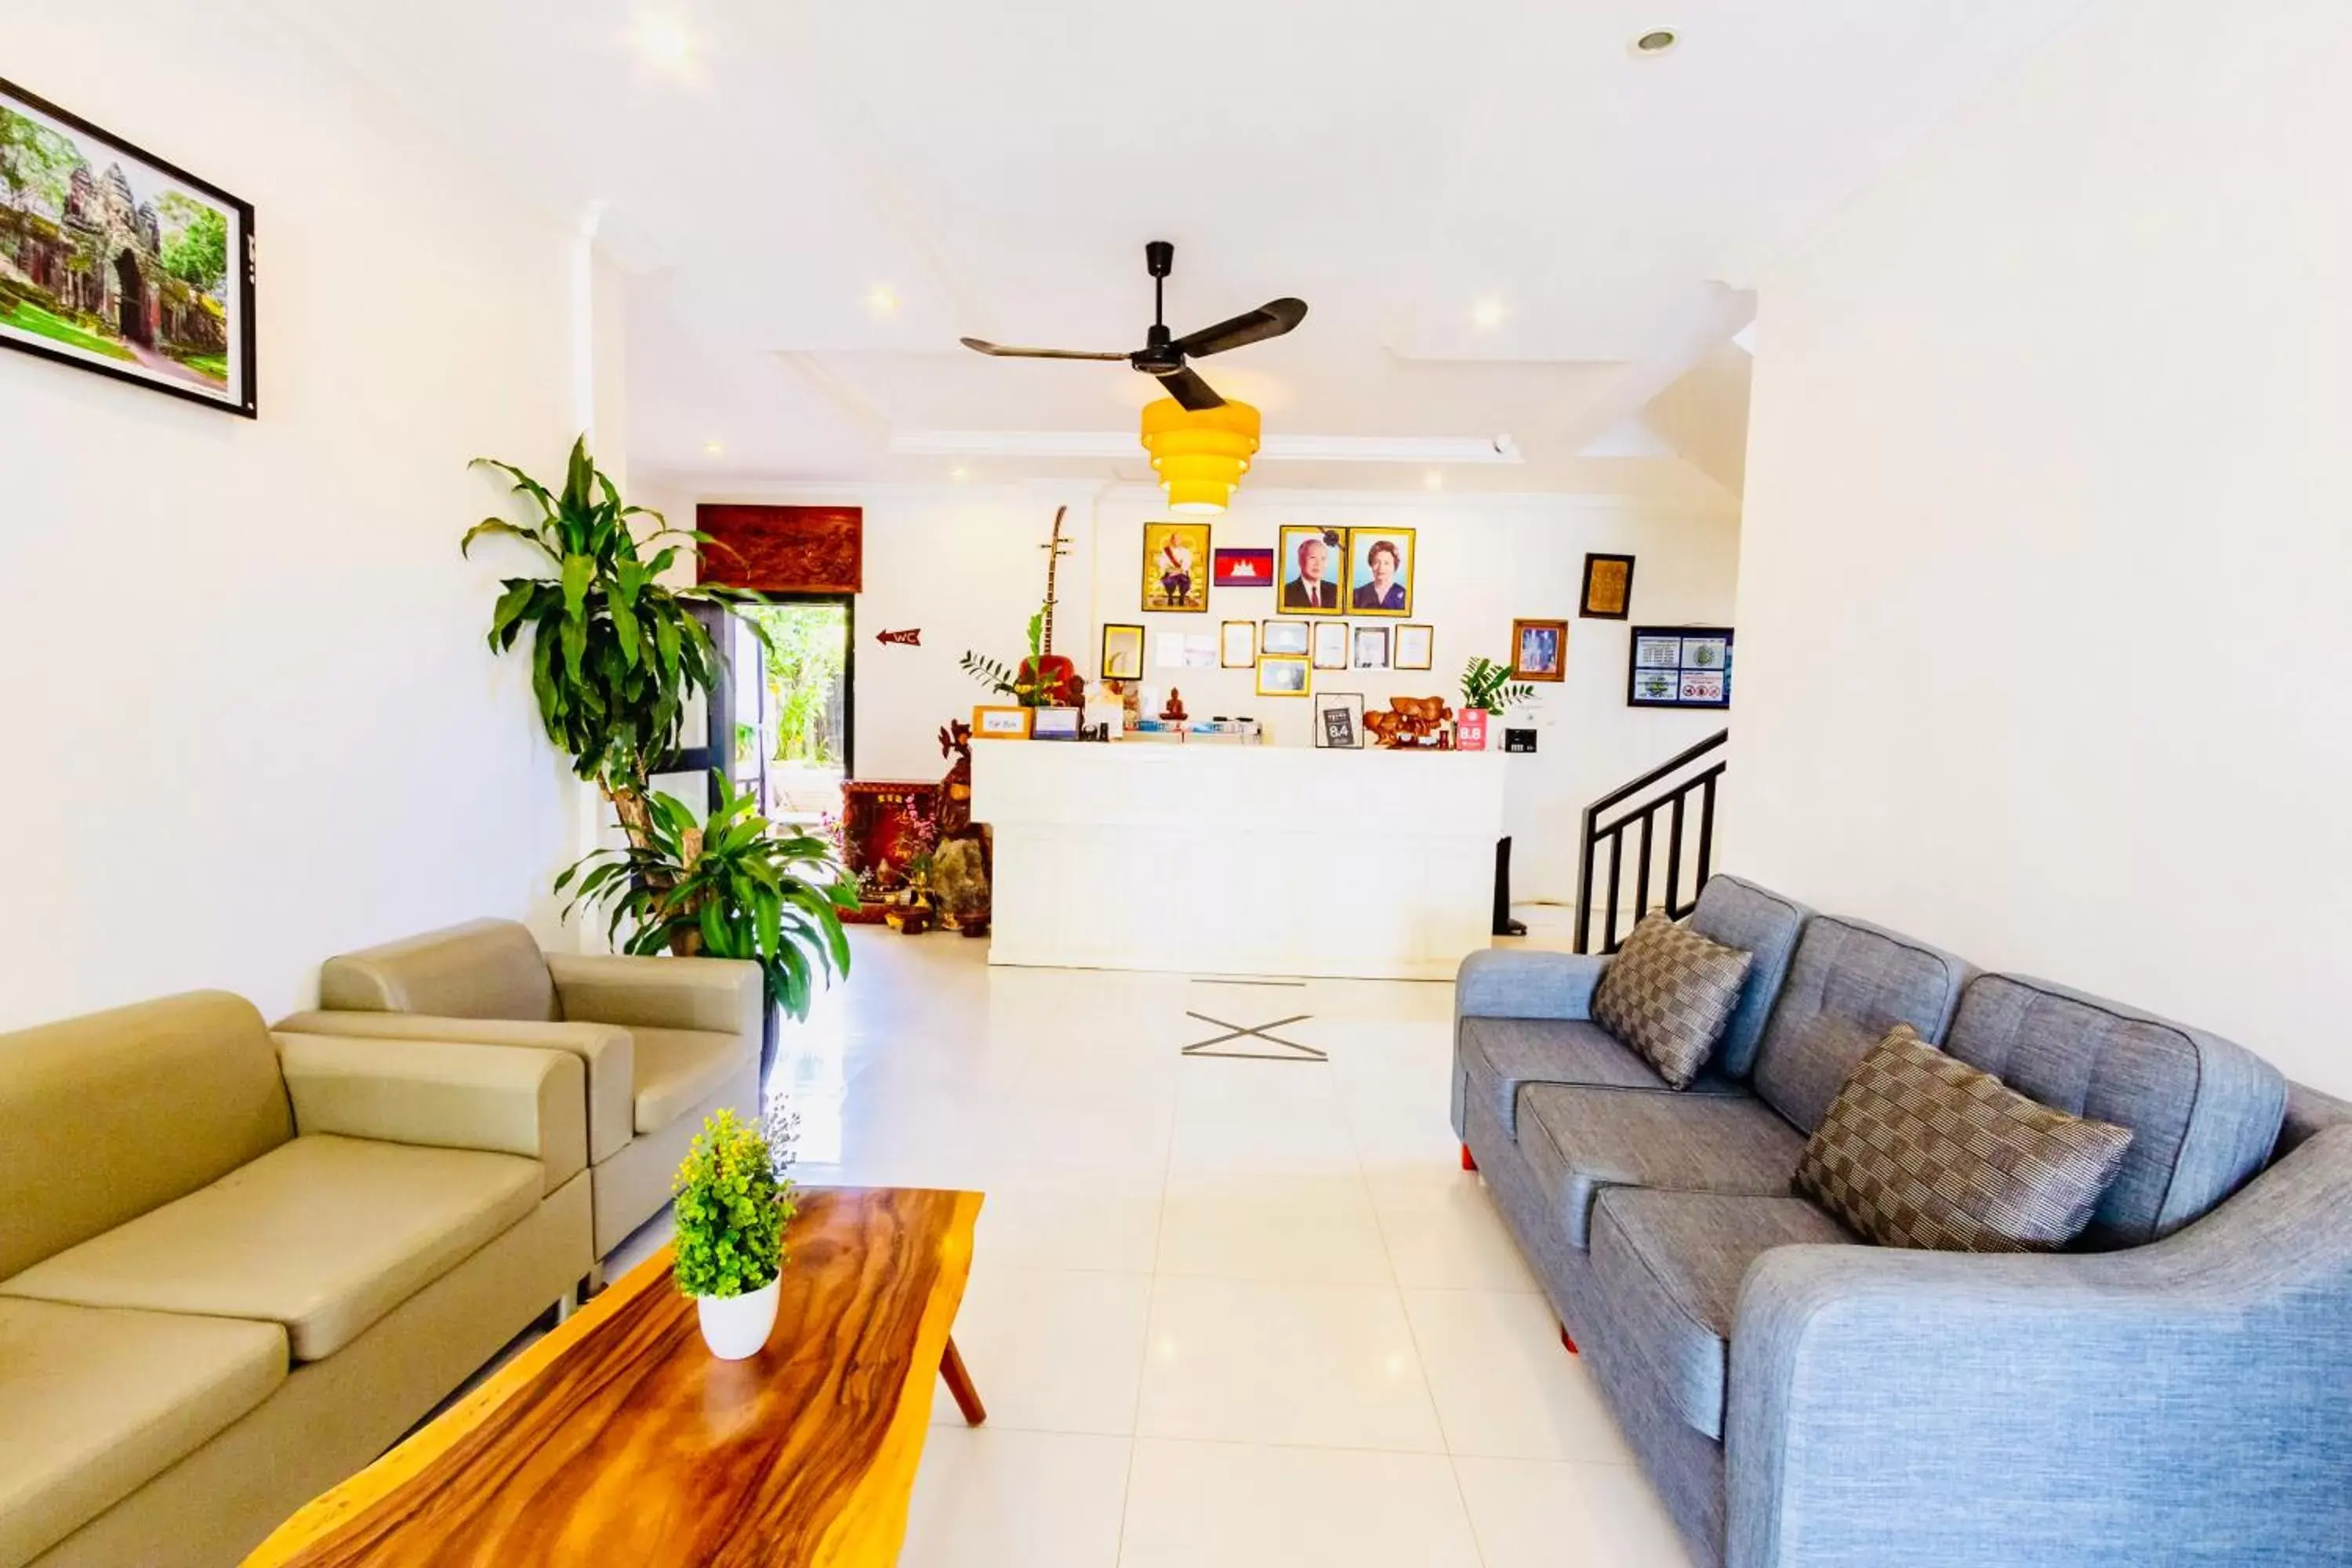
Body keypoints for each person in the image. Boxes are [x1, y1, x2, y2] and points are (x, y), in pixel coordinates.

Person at [1283, 534, 1340, 609]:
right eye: (1312, 558)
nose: (1318, 564)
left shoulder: (1336, 591)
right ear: (1300, 560)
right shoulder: (1286, 592)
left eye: (1323, 559)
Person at [1352, 539, 1406, 610]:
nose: (1381, 568)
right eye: (1376, 562)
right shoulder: (1357, 594)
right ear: (1371, 564)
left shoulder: (1405, 595)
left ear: (1395, 565)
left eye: (1386, 563)